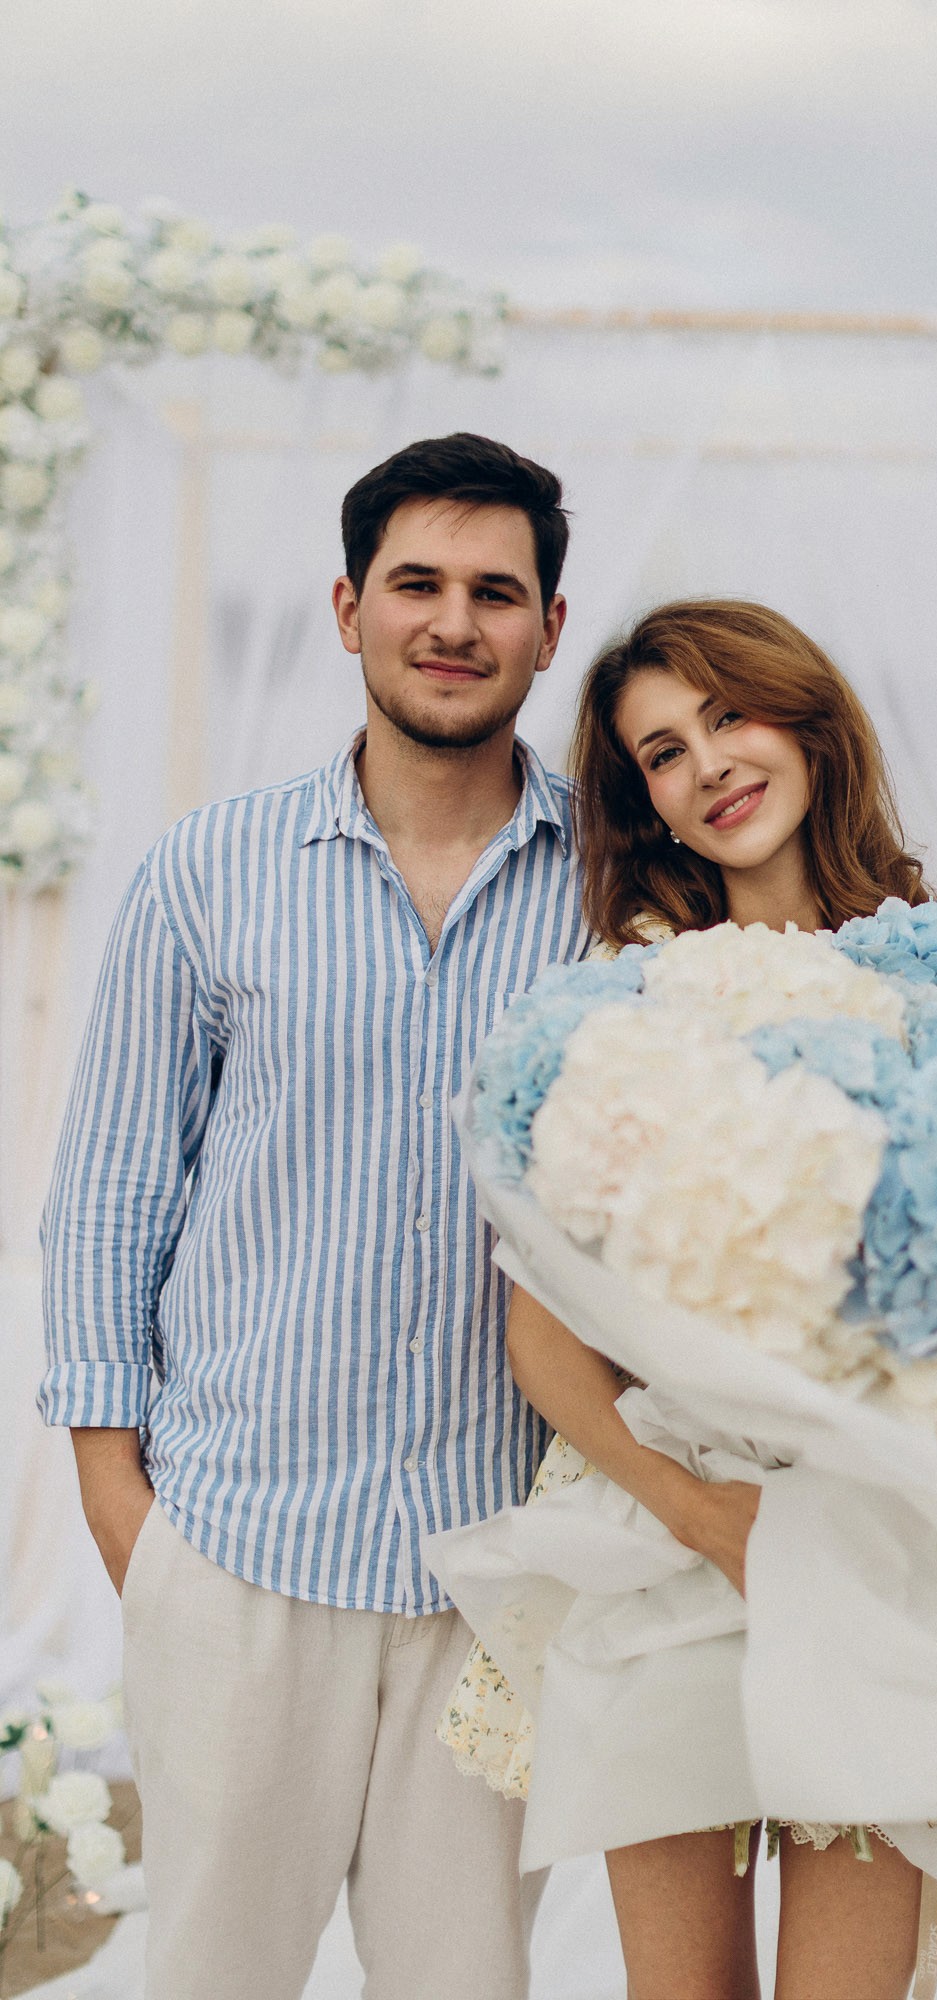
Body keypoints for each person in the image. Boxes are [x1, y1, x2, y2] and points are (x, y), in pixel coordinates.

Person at [38, 432, 586, 2000]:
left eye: (495, 592)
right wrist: (130, 1526)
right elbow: (112, 1198)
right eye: (417, 583)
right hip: (240, 1559)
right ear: (348, 609)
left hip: (501, 1577)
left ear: (550, 626)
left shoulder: (619, 891)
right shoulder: (207, 874)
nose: (454, 622)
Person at [445, 600, 937, 2000]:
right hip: (667, 1546)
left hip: (886, 1550)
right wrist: (702, 1518)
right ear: (646, 806)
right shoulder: (621, 1003)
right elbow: (543, 1337)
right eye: (663, 752)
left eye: (728, 715)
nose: (708, 763)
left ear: (807, 716)